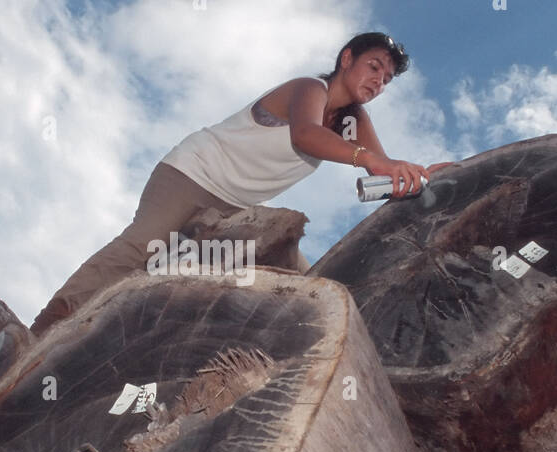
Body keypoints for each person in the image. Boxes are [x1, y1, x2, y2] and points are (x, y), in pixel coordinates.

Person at [30, 31, 444, 336]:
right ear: (347, 58)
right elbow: (306, 135)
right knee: (144, 247)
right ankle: (42, 331)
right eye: (374, 67)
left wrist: (426, 174)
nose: (379, 81)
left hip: (234, 209)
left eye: (387, 79)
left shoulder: (355, 120)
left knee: (306, 284)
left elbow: (383, 170)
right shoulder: (309, 88)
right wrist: (369, 158)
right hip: (193, 175)